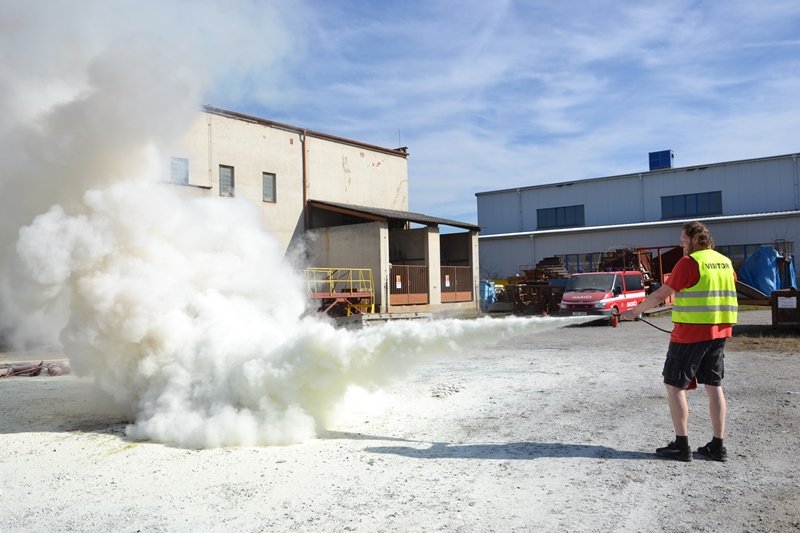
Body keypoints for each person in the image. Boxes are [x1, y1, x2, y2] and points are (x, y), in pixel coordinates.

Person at [620, 221, 737, 462]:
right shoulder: (725, 262)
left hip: (690, 333)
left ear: (694, 240)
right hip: (720, 331)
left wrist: (635, 311)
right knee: (713, 386)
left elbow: (661, 294)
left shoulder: (689, 262)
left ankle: (681, 446)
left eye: (683, 240)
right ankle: (717, 446)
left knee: (674, 386)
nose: (681, 244)